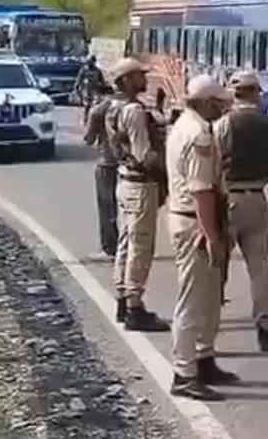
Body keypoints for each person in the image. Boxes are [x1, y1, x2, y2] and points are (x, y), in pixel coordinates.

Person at [166, 75, 240, 401]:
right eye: (220, 103)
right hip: (195, 222)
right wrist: (210, 234)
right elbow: (202, 192)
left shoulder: (188, 126)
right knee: (193, 301)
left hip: (193, 218)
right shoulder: (199, 136)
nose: (224, 108)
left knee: (209, 298)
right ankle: (184, 372)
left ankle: (203, 357)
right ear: (208, 103)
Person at [213, 71, 268, 353]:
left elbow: (215, 160)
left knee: (218, 266)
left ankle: (211, 327)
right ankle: (264, 329)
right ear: (256, 92)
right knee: (259, 267)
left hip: (229, 194)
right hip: (257, 194)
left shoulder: (224, 124)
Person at [106, 58, 171, 332]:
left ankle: (123, 297)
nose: (143, 79)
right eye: (138, 76)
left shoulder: (113, 107)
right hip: (140, 184)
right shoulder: (133, 110)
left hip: (125, 181)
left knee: (126, 241)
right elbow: (144, 154)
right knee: (140, 246)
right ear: (127, 80)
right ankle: (135, 305)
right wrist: (166, 164)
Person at [82, 83, 120, 257]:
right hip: (126, 163)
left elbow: (89, 139)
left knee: (107, 207)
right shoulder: (125, 107)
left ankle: (110, 247)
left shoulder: (97, 110)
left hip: (106, 163)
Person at [75, 55, 106, 124]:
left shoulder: (97, 71)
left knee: (95, 106)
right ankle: (85, 119)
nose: (90, 63)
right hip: (86, 90)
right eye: (89, 62)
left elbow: (102, 81)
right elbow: (79, 80)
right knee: (87, 106)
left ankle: (94, 121)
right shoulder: (84, 70)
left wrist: (102, 87)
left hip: (95, 91)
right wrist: (77, 88)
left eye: (91, 62)